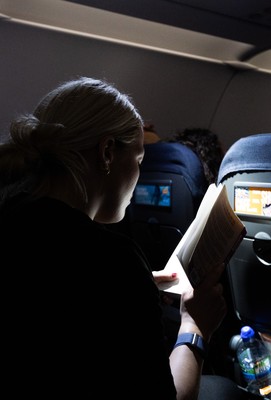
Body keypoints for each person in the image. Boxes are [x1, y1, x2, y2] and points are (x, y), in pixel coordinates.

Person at [0, 77, 245, 399]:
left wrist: (140, 285)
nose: (139, 173)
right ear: (106, 152)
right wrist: (195, 326)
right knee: (225, 390)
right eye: (140, 160)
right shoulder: (110, 257)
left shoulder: (11, 214)